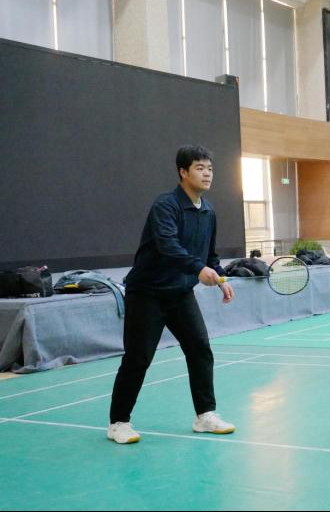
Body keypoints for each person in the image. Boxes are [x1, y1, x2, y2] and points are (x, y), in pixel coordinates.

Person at [108, 145, 236, 444]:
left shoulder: (208, 211)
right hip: (147, 293)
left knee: (200, 349)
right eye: (200, 168)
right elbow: (168, 246)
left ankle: (205, 415)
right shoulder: (165, 206)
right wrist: (198, 269)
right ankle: (118, 422)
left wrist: (220, 277)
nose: (207, 174)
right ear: (183, 172)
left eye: (210, 168)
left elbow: (210, 254)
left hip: (180, 293)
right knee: (138, 358)